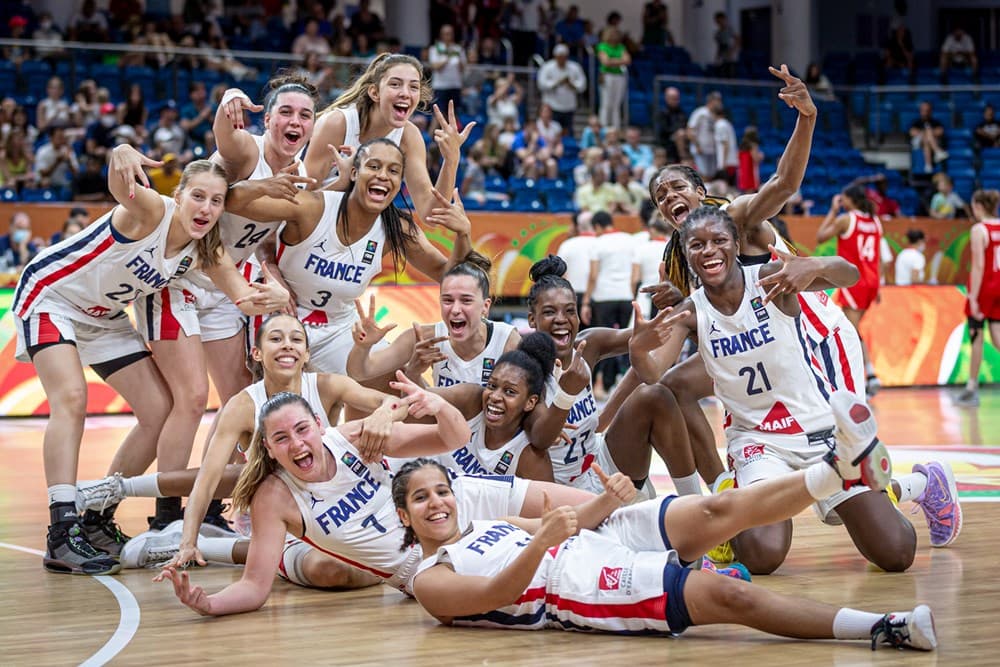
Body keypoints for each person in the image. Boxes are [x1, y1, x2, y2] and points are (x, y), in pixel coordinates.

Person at [629, 206, 960, 574]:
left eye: (718, 241)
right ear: (687, 254)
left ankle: (917, 483)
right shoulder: (690, 311)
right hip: (760, 442)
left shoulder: (771, 277)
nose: (708, 250)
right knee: (762, 556)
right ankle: (723, 517)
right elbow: (654, 373)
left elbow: (849, 275)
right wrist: (639, 349)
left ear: (737, 244)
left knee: (897, 554)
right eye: (697, 245)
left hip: (821, 434)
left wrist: (814, 265)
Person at [12, 156, 284, 575]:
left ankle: (97, 514)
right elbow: (122, 191)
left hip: (102, 317)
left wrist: (275, 298)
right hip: (52, 296)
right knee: (71, 397)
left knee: (158, 411)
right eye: (198, 196)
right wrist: (119, 150)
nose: (206, 209)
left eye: (216, 201)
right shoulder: (154, 212)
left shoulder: (205, 251)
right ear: (178, 197)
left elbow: (243, 296)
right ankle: (62, 530)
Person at [392, 458, 936, 651]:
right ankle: (882, 627)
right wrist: (541, 539)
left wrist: (609, 499)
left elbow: (568, 522)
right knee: (728, 594)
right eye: (422, 498)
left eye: (442, 491)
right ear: (406, 517)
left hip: (591, 542)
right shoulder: (430, 578)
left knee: (714, 510)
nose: (437, 502)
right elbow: (497, 593)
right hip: (579, 587)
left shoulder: (489, 523)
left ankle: (836, 472)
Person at [156, 391, 594, 614]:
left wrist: (434, 403)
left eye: (303, 430)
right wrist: (208, 603)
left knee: (602, 509)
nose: (297, 444)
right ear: (268, 449)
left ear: (319, 425)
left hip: (457, 496)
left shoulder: (351, 438)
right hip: (431, 559)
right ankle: (196, 541)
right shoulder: (275, 495)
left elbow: (455, 437)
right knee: (571, 565)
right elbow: (254, 587)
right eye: (281, 439)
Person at [227, 138, 473, 374]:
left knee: (401, 390)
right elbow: (231, 201)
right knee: (280, 407)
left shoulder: (396, 228)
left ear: (399, 182)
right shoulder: (314, 207)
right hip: (284, 318)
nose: (383, 176)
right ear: (354, 173)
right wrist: (260, 186)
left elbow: (450, 276)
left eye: (393, 171)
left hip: (340, 328)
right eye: (373, 166)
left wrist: (464, 235)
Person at [303, 53, 473, 224]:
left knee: (408, 233)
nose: (405, 93)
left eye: (414, 87)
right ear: (375, 92)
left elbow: (431, 216)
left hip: (359, 230)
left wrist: (451, 160)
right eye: (395, 84)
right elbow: (301, 202)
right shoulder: (337, 123)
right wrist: (343, 182)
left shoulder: (409, 136)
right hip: (316, 225)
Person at [347, 253, 520, 388]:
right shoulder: (422, 337)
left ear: (485, 306)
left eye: (466, 300)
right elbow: (360, 373)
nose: (455, 309)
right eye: (448, 300)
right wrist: (363, 347)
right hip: (441, 429)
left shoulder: (507, 341)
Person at [818, 186, 884, 396]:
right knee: (851, 329)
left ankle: (867, 377)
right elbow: (878, 255)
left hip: (854, 280)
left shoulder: (847, 219)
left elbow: (821, 236)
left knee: (850, 331)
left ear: (849, 200)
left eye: (843, 198)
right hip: (872, 280)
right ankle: (869, 375)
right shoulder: (875, 221)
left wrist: (833, 211)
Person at [957, 190, 1000, 407]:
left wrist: (973, 297)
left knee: (977, 338)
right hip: (999, 286)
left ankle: (971, 389)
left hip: (984, 288)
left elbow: (979, 266)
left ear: (979, 206)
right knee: (998, 337)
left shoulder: (979, 229)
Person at [536, 44, 587, 133]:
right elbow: (541, 84)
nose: (562, 59)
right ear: (555, 56)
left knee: (568, 132)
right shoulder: (547, 67)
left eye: (564, 57)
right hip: (552, 106)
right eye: (559, 57)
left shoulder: (575, 67)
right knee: (552, 132)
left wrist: (570, 84)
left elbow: (582, 85)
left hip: (569, 106)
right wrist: (558, 82)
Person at [555, 213, 598, 313]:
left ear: (578, 226)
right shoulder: (601, 243)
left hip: (572, 293)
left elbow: (560, 273)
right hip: (597, 295)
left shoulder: (566, 245)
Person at [428, 24, 466, 126]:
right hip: (440, 86)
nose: (448, 36)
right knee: (439, 114)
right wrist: (448, 57)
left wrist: (459, 62)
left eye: (450, 34)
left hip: (455, 86)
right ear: (441, 35)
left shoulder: (458, 49)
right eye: (446, 34)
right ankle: (430, 140)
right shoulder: (434, 49)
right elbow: (435, 67)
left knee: (453, 114)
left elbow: (463, 68)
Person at [595, 27, 631, 130]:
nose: (615, 36)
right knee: (606, 103)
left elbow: (628, 60)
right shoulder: (602, 46)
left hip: (619, 76)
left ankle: (616, 129)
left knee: (616, 105)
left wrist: (612, 61)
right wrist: (619, 61)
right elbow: (605, 62)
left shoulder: (621, 47)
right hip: (607, 75)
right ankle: (604, 128)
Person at [687, 92, 722, 177]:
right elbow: (690, 129)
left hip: (712, 151)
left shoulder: (715, 115)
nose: (719, 103)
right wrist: (697, 145)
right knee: (702, 175)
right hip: (700, 150)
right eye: (718, 101)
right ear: (711, 101)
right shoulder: (700, 112)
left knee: (711, 176)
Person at [909, 102, 948, 174]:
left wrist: (927, 133)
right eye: (923, 110)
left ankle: (928, 166)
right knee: (928, 133)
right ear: (920, 111)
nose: (925, 112)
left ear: (930, 111)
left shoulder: (935, 122)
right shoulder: (916, 122)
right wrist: (927, 132)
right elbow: (912, 132)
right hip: (917, 143)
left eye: (927, 110)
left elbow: (940, 131)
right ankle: (937, 151)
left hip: (928, 142)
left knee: (927, 141)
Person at [656, 87, 689, 164]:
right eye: (674, 98)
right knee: (680, 134)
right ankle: (683, 158)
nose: (676, 101)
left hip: (682, 138)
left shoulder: (681, 112)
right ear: (667, 98)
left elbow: (685, 125)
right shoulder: (662, 113)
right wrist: (677, 132)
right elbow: (664, 129)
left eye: (677, 98)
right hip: (667, 140)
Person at [713, 12, 739, 78]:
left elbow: (738, 40)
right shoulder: (718, 33)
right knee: (721, 75)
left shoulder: (730, 29)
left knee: (730, 75)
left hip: (731, 59)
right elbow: (720, 46)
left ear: (724, 19)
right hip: (722, 58)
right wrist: (717, 57)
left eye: (720, 21)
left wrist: (732, 51)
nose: (719, 23)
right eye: (717, 21)